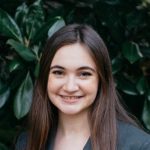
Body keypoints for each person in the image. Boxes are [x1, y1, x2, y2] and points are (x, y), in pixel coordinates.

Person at [15, 24, 150, 150]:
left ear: (102, 80)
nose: (70, 87)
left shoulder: (137, 145)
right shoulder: (27, 142)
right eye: (59, 72)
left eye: (84, 74)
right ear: (45, 77)